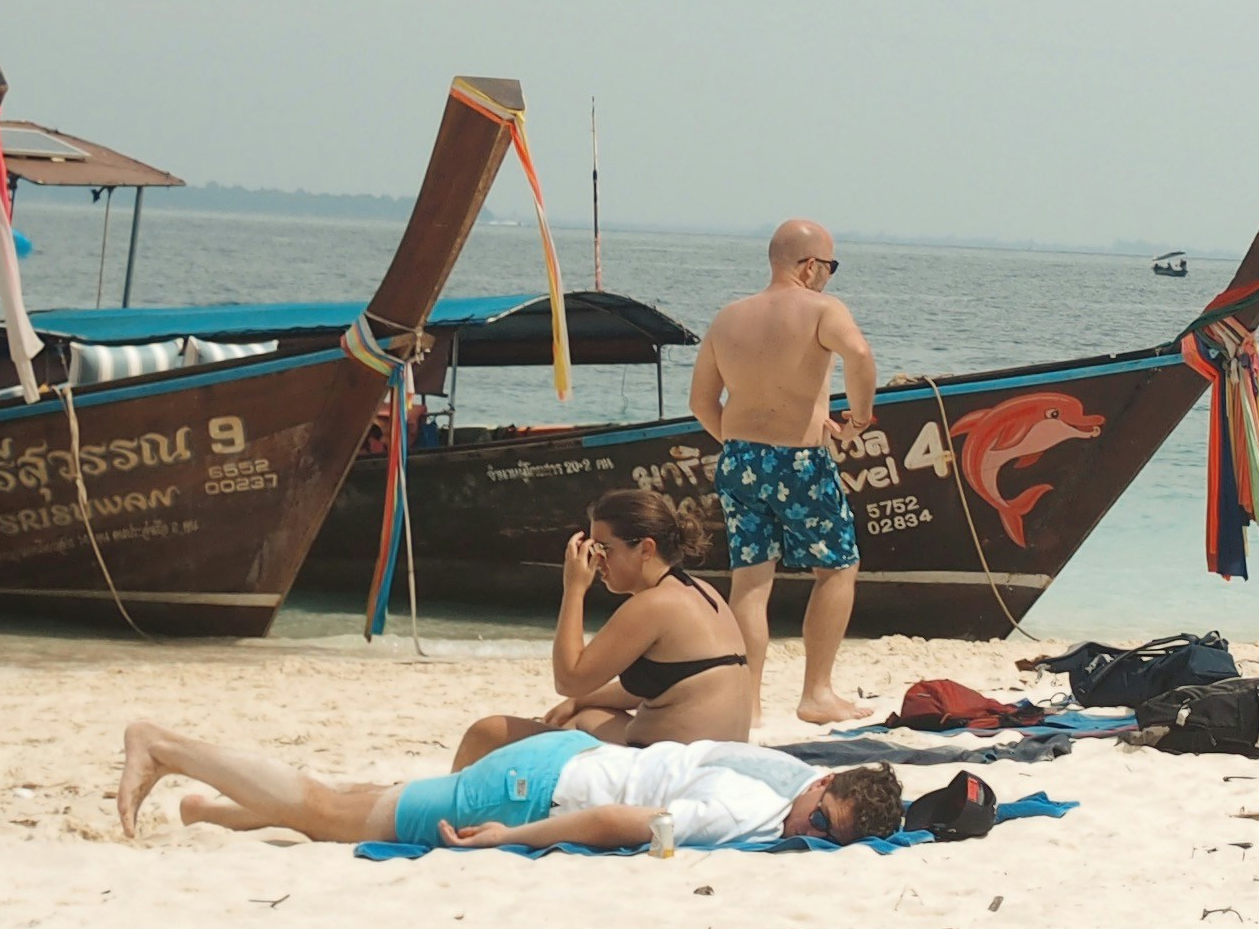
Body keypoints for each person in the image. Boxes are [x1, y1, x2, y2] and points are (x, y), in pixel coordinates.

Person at [116, 721, 897, 851]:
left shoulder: (797, 772)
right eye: (821, 821)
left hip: (569, 753)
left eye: (829, 838)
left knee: (365, 799)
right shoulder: (744, 811)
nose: (810, 835)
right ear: (823, 787)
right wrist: (511, 839)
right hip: (528, 795)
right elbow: (618, 824)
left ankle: (210, 811)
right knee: (329, 813)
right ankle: (167, 748)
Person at [689, 218, 886, 722]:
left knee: (751, 580)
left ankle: (748, 704)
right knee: (837, 566)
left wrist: (738, 445)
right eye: (831, 266)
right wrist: (859, 419)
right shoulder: (822, 309)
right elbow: (860, 355)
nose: (830, 277)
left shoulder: (728, 317)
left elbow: (700, 401)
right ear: (810, 265)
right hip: (799, 460)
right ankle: (816, 693)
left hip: (738, 459)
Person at [451, 487, 752, 765]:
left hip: (669, 770)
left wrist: (574, 589)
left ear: (646, 549)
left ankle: (447, 814)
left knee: (487, 732)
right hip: (712, 761)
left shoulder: (653, 605)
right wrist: (580, 701)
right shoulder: (701, 591)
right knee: (586, 715)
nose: (597, 562)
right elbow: (677, 684)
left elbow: (568, 679)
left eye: (604, 549)